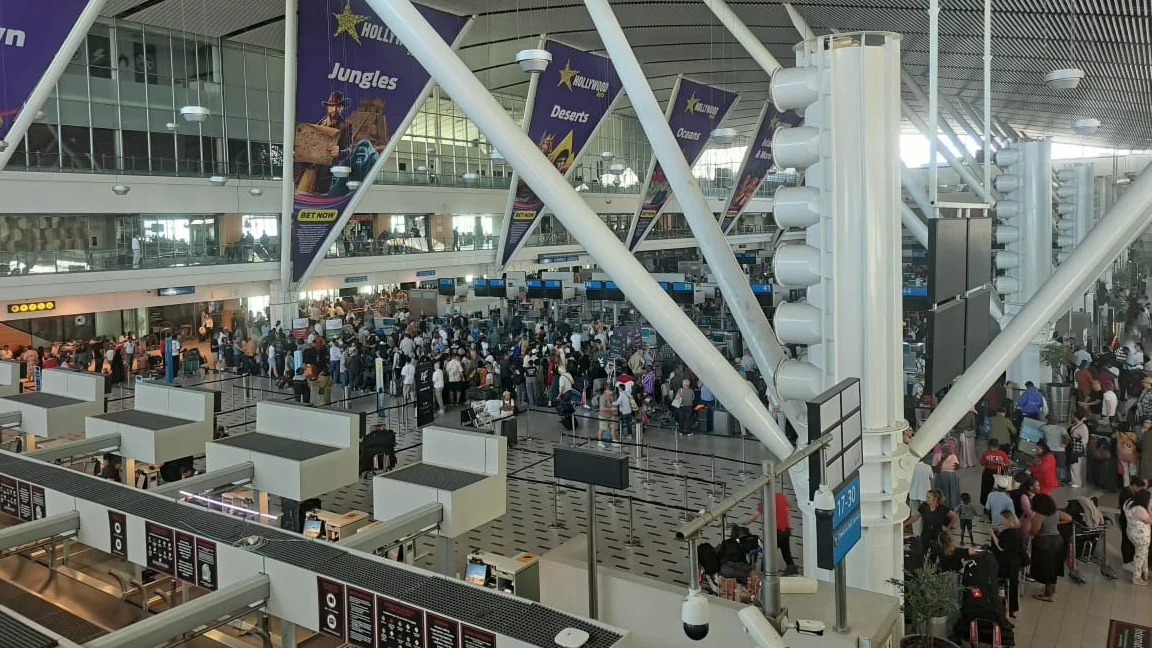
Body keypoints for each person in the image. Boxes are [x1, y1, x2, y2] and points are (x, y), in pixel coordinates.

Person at [1028, 492, 1072, 602]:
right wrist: (1056, 525)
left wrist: (1031, 533)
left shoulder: (1039, 515)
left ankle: (1048, 595)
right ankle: (1052, 590)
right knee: (1054, 567)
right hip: (1058, 539)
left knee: (1046, 568)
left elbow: (1034, 531)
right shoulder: (1055, 512)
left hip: (1045, 542)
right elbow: (1069, 518)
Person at [744, 491, 800, 576]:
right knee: (786, 552)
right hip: (785, 531)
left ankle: (764, 573)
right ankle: (793, 570)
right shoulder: (781, 497)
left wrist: (743, 523)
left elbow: (754, 516)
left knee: (768, 553)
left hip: (775, 533)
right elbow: (788, 510)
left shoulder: (765, 502)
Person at [991, 511, 1027, 618]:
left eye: (1003, 519)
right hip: (1015, 563)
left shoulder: (1008, 532)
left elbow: (1001, 547)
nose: (1002, 521)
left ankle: (999, 604)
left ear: (1008, 520)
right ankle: (1013, 608)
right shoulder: (1016, 532)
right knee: (1013, 584)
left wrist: (993, 534)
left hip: (1005, 564)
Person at [904, 489, 958, 556]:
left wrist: (948, 528)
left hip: (937, 535)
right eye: (927, 497)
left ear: (935, 499)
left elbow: (955, 517)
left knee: (936, 552)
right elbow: (915, 517)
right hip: (926, 533)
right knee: (924, 551)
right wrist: (904, 524)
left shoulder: (942, 508)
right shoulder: (924, 506)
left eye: (929, 497)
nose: (927, 499)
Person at [1123, 489, 1151, 585]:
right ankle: (1136, 577)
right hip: (1141, 536)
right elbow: (1150, 520)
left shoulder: (1128, 502)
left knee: (1143, 553)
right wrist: (1148, 509)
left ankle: (1145, 572)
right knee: (1140, 556)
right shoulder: (1140, 509)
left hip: (1131, 532)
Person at [1120, 479, 1148, 569]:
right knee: (1126, 541)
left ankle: (1131, 560)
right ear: (1134, 486)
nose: (1140, 491)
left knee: (1130, 542)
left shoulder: (1131, 493)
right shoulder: (1125, 494)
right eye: (1140, 488)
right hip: (1127, 520)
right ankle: (1127, 561)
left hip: (1131, 521)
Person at [979, 439, 1011, 506]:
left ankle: (995, 505)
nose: (993, 449)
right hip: (988, 472)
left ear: (998, 447)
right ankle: (985, 504)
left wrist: (1003, 464)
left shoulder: (1003, 454)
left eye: (995, 447)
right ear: (989, 446)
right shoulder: (986, 453)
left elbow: (1008, 464)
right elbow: (982, 463)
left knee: (997, 490)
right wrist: (987, 462)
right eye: (992, 447)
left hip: (999, 473)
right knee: (985, 489)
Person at [1040, 415, 1069, 485]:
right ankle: (1057, 481)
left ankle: (1049, 480)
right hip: (1060, 450)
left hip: (1050, 450)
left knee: (1049, 466)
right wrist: (1065, 444)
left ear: (1048, 420)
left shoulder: (1045, 427)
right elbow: (1067, 438)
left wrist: (1047, 423)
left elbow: (1039, 428)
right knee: (1059, 466)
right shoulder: (1061, 428)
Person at [1069, 413, 1089, 488]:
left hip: (1078, 449)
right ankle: (1074, 480)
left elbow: (1085, 439)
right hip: (1075, 447)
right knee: (1074, 465)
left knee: (1076, 465)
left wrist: (1078, 442)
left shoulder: (1082, 426)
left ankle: (1077, 482)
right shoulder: (1077, 425)